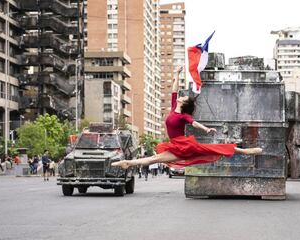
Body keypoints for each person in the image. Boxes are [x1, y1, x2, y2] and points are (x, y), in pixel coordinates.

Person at [112, 66, 262, 170]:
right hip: (175, 147)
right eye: (181, 96)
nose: (181, 97)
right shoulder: (173, 107)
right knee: (154, 159)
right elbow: (174, 89)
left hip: (184, 145)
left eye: (183, 98)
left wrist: (206, 128)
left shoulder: (183, 115)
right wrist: (176, 74)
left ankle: (246, 151)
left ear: (184, 104)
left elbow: (194, 123)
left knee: (213, 148)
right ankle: (127, 162)